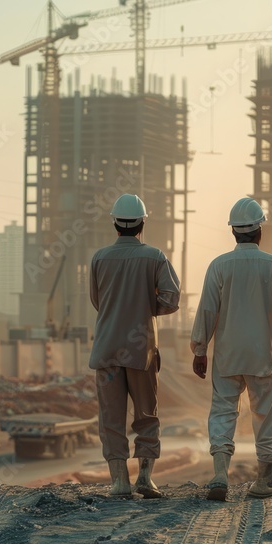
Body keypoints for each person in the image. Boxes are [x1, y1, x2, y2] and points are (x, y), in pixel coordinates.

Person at [190, 197, 272, 500]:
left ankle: (219, 476)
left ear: (233, 232)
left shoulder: (218, 266)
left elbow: (207, 311)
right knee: (265, 415)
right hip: (263, 355)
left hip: (227, 356)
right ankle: (264, 481)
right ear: (259, 230)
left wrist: (200, 349)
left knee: (223, 412)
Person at [89, 193, 180, 498]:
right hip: (142, 351)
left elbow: (96, 301)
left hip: (107, 351)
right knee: (147, 415)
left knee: (111, 418)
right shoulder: (154, 257)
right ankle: (145, 477)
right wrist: (146, 306)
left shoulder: (99, 258)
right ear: (142, 223)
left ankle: (118, 482)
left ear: (115, 224)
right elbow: (172, 298)